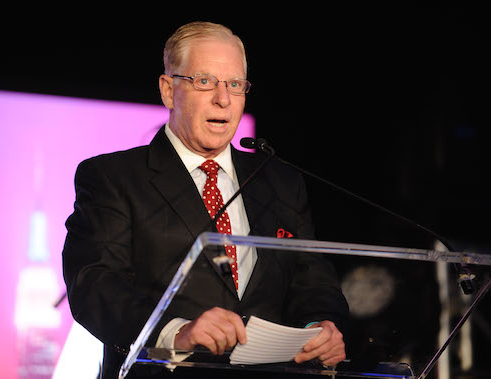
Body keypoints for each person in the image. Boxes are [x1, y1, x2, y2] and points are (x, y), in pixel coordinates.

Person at [63, 21, 349, 378]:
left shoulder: (279, 181)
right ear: (169, 90)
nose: (223, 98)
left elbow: (314, 281)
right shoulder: (114, 177)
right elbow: (94, 283)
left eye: (234, 84)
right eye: (204, 82)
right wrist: (176, 333)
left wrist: (320, 324)